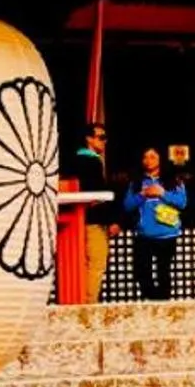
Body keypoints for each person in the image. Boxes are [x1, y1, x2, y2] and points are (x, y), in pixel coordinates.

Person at [122, 149, 187, 300]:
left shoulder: (174, 180)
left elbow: (182, 203)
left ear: (161, 159)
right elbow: (127, 205)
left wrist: (162, 193)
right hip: (144, 235)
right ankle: (152, 302)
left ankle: (163, 305)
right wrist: (142, 195)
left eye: (152, 157)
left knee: (163, 272)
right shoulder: (136, 182)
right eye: (145, 157)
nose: (148, 160)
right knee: (142, 272)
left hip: (167, 234)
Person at [69, 123, 111, 301]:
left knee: (79, 263)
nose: (104, 142)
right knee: (96, 263)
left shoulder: (73, 159)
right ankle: (88, 303)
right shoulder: (92, 161)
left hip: (75, 221)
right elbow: (96, 192)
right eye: (101, 137)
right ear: (89, 138)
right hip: (93, 220)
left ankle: (79, 300)